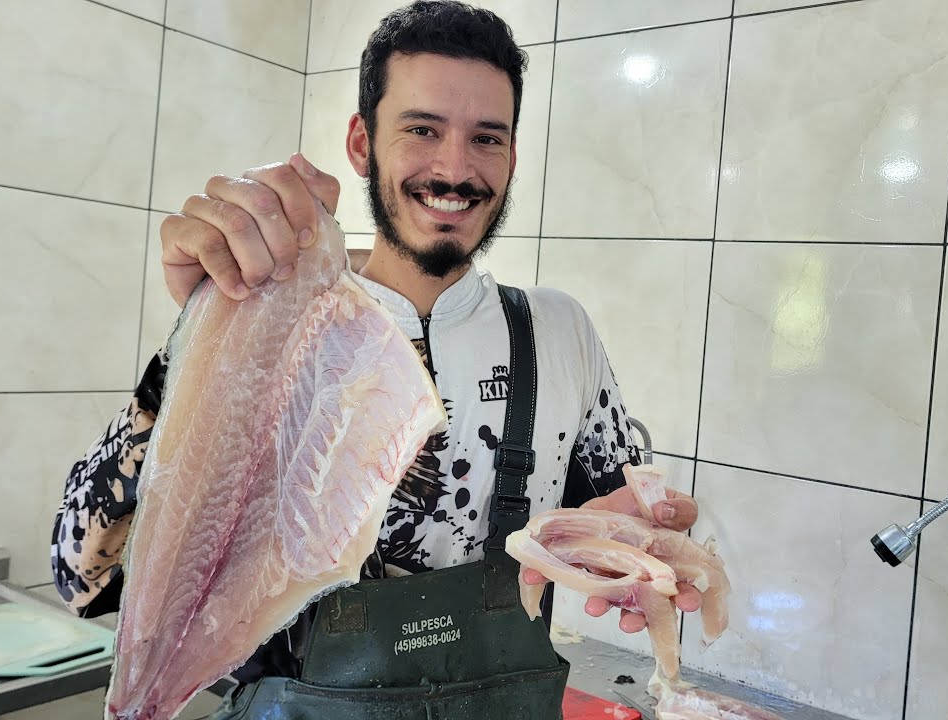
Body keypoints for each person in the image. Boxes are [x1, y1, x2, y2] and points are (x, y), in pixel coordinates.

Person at [50, 2, 701, 717]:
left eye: (487, 138)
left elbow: (616, 523)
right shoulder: (278, 327)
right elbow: (81, 577)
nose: (455, 168)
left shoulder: (560, 333)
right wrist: (199, 342)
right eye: (422, 129)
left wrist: (648, 548)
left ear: (513, 157)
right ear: (362, 143)